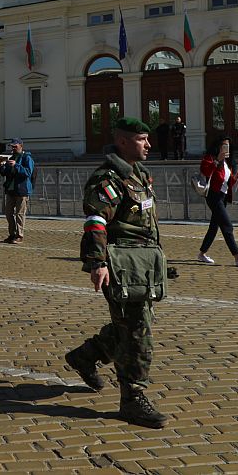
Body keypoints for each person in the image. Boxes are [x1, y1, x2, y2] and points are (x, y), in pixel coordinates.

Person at [64, 117, 168, 429]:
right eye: (141, 139)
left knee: (131, 325)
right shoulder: (109, 178)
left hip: (142, 265)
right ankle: (132, 398)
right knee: (137, 331)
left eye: (147, 139)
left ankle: (85, 356)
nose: (148, 145)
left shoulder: (140, 174)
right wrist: (98, 263)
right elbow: (95, 220)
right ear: (123, 142)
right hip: (120, 265)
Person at [198, 136, 238, 268]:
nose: (226, 148)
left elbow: (228, 183)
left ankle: (202, 254)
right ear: (218, 146)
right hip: (213, 196)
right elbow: (205, 171)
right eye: (224, 145)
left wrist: (236, 177)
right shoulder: (210, 158)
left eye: (228, 146)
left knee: (214, 227)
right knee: (227, 226)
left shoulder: (227, 163)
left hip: (222, 196)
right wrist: (217, 160)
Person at [0, 138, 34, 244]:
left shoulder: (27, 158)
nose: (13, 148)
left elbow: (28, 172)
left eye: (15, 146)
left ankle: (19, 235)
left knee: (19, 214)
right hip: (11, 190)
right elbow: (5, 173)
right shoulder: (12, 157)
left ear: (21, 146)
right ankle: (12, 234)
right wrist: (1, 166)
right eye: (12, 146)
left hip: (22, 190)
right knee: (8, 213)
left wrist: (16, 165)